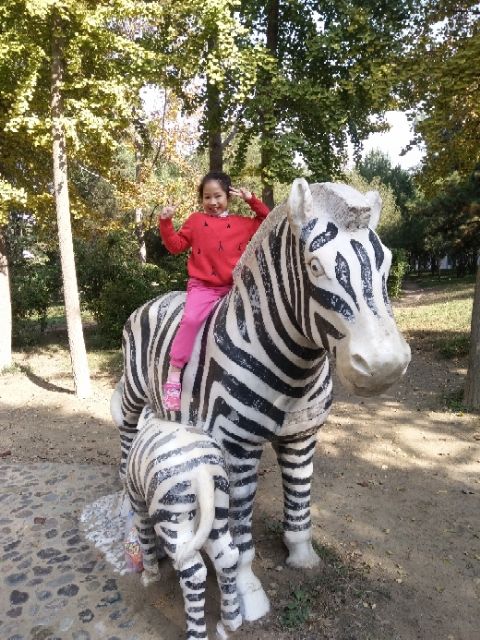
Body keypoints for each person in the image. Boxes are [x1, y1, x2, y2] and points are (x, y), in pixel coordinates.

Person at [158, 171, 270, 411]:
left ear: (228, 196)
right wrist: (166, 222)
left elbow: (266, 219)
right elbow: (176, 246)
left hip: (235, 288)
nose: (213, 202)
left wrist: (252, 200)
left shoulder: (243, 224)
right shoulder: (196, 221)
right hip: (203, 287)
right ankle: (174, 376)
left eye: (218, 196)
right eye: (207, 197)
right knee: (190, 320)